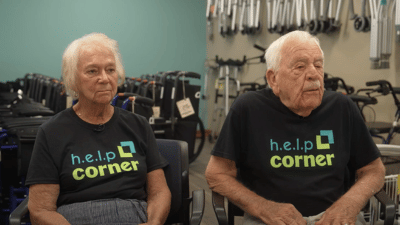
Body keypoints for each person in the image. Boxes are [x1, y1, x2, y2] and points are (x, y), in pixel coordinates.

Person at [205, 31, 385, 225]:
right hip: (269, 219)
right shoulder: (248, 108)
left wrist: (348, 204)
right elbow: (217, 174)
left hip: (334, 218)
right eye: (300, 66)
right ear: (273, 79)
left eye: (318, 65)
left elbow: (374, 170)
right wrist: (263, 207)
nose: (314, 74)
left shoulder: (342, 107)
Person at [26, 33, 171, 225]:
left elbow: (159, 192)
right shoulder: (51, 132)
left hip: (135, 216)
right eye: (92, 71)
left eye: (110, 69)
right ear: (72, 79)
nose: (104, 78)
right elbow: (40, 210)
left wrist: (154, 223)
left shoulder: (138, 125)